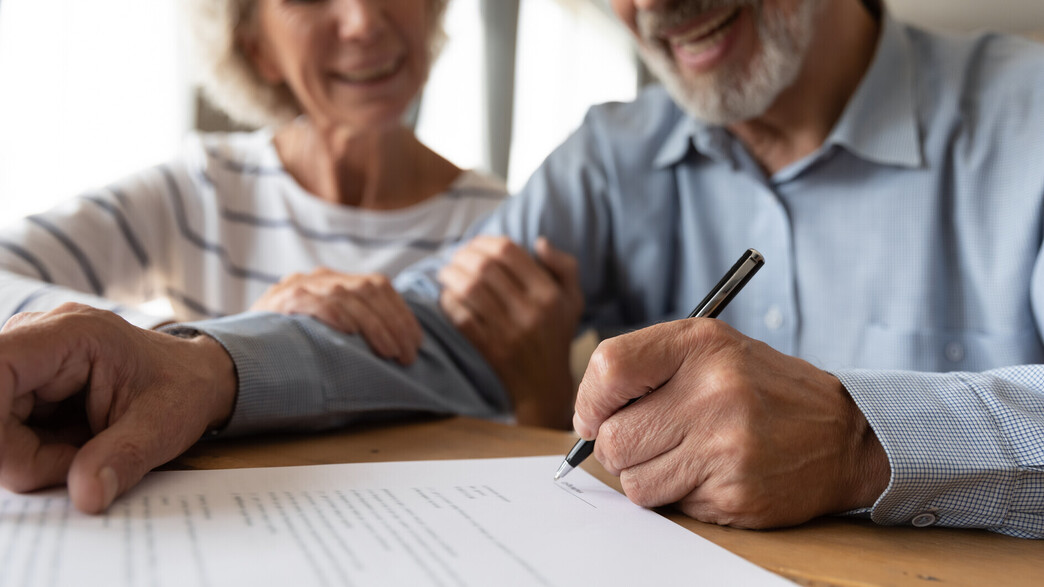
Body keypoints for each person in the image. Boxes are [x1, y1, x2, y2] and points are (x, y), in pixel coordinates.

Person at [2, 0, 1043, 541]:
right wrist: (201, 369)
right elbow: (435, 329)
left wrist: (863, 438)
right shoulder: (612, 154)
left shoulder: (1027, 115)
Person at [0, 0, 508, 365]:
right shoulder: (204, 189)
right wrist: (202, 347)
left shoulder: (504, 222)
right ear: (257, 48)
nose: (363, 20)